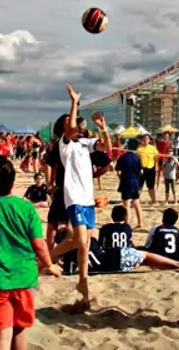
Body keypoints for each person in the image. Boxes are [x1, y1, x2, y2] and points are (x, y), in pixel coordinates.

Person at [0, 159, 62, 350]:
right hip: (24, 277)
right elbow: (39, 245)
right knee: (19, 330)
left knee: (0, 337)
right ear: (13, 182)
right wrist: (50, 265)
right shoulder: (26, 208)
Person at [49, 84, 111, 311]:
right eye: (67, 121)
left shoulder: (85, 143)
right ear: (63, 128)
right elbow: (72, 128)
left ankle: (83, 285)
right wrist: (74, 103)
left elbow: (107, 147)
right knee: (81, 241)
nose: (71, 123)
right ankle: (45, 261)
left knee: (82, 244)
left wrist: (103, 128)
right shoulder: (63, 143)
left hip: (87, 198)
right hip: (74, 197)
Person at [57, 229, 179, 274]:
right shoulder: (89, 240)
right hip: (115, 256)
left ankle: (177, 266)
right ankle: (178, 264)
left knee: (145, 260)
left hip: (111, 264)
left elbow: (68, 272)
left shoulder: (69, 256)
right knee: (145, 256)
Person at [44, 114, 69, 250]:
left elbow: (105, 164)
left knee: (73, 222)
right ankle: (50, 252)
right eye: (67, 121)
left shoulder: (82, 141)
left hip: (76, 189)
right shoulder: (59, 144)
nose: (71, 122)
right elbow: (48, 164)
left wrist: (93, 175)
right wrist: (49, 183)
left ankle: (65, 252)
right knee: (53, 221)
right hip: (62, 187)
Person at [115, 138, 143, 228]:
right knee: (136, 203)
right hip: (135, 182)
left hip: (126, 181)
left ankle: (127, 224)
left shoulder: (122, 157)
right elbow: (141, 172)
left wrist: (122, 178)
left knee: (126, 204)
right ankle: (140, 223)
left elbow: (118, 172)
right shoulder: (137, 158)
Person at [137, 134, 159, 204]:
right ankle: (136, 201)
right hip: (141, 169)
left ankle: (154, 200)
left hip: (150, 169)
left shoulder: (153, 148)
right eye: (144, 138)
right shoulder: (139, 148)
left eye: (147, 138)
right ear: (142, 140)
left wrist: (156, 166)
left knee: (151, 187)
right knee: (139, 186)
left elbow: (156, 158)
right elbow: (137, 159)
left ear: (149, 140)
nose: (145, 140)